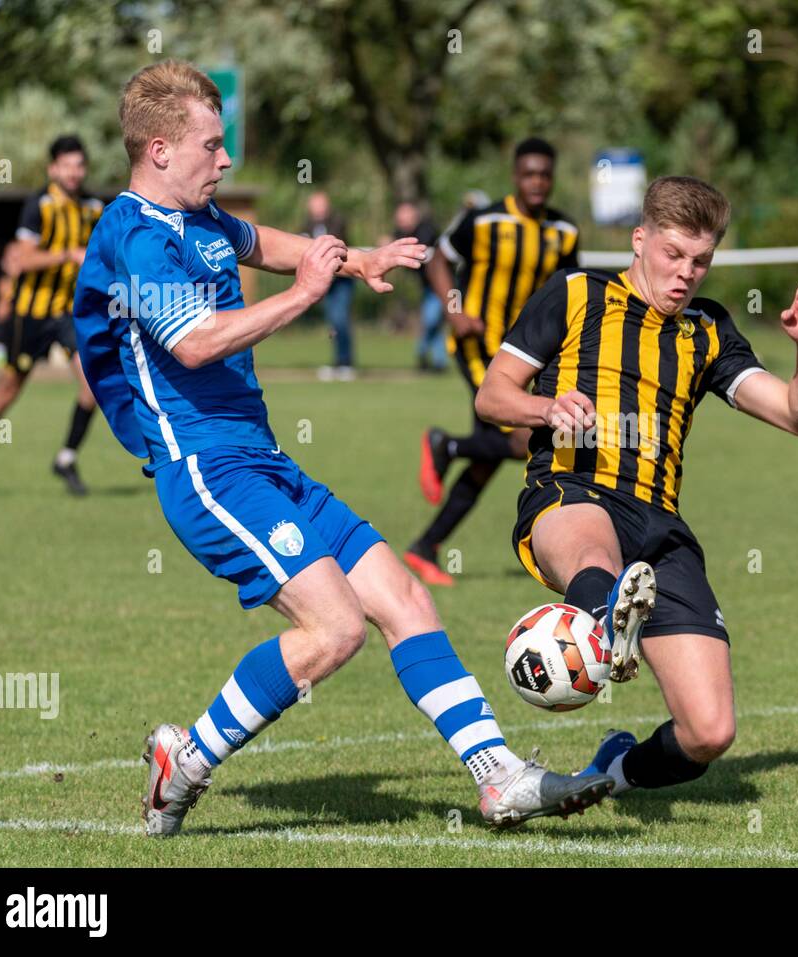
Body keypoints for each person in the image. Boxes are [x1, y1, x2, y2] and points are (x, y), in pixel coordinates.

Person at [71, 60, 612, 837]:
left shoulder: (205, 220)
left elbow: (275, 243)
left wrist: (357, 257)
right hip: (205, 469)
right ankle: (184, 765)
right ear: (159, 150)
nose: (226, 161)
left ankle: (499, 778)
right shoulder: (134, 235)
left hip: (260, 460)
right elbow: (192, 344)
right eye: (212, 146)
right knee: (335, 629)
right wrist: (306, 296)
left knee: (406, 598)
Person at [475, 175, 798, 797]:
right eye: (674, 255)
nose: (687, 273)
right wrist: (547, 409)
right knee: (594, 557)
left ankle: (611, 774)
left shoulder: (710, 330)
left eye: (702, 261)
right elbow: (491, 394)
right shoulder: (575, 293)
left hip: (659, 527)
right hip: (572, 488)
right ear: (640, 241)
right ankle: (606, 624)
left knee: (710, 732)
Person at [404, 138, 579, 586]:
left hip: (529, 356)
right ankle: (444, 445)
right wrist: (455, 310)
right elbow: (436, 260)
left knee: (488, 461)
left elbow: (574, 291)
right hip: (481, 346)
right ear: (515, 176)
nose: (536, 182)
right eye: (528, 174)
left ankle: (426, 547)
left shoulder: (564, 231)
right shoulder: (484, 220)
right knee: (525, 440)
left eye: (544, 175)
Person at [0, 135, 105, 495]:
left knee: (93, 385)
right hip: (31, 314)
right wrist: (68, 255)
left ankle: (66, 458)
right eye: (67, 165)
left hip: (68, 312)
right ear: (53, 168)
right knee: (10, 386)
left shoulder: (93, 207)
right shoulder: (39, 204)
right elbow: (22, 258)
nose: (74, 172)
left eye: (80, 165)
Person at [301, 191, 355, 380]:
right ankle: (339, 362)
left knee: (340, 319)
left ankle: (346, 362)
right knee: (333, 321)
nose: (317, 209)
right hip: (324, 279)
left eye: (320, 204)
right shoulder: (307, 223)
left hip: (341, 279)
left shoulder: (337, 221)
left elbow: (334, 244)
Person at [393, 201, 446, 372]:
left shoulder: (426, 230)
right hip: (430, 288)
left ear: (414, 217)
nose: (402, 223)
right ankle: (438, 362)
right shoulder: (400, 233)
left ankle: (422, 352)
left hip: (451, 288)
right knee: (435, 322)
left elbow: (422, 246)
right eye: (399, 220)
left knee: (445, 318)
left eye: (405, 218)